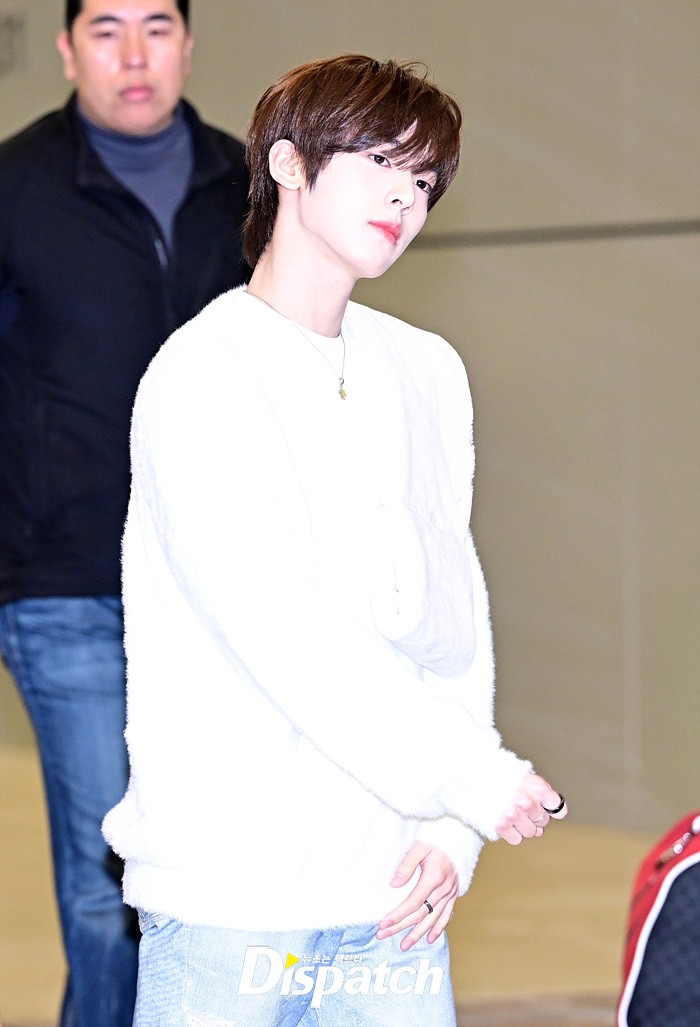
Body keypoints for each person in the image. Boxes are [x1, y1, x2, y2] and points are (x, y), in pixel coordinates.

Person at [103, 54, 568, 1026]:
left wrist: (451, 825)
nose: (405, 198)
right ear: (288, 164)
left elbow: (453, 616)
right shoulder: (202, 374)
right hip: (233, 900)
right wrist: (468, 779)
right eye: (381, 163)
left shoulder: (426, 369)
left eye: (424, 181)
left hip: (392, 897)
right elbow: (281, 630)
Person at [0, 1, 248, 1024]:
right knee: (109, 886)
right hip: (69, 587)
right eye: (107, 30)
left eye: (156, 26)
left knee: (217, 879)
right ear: (67, 50)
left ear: (189, 42)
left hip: (223, 592)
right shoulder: (14, 187)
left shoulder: (254, 182)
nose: (135, 54)